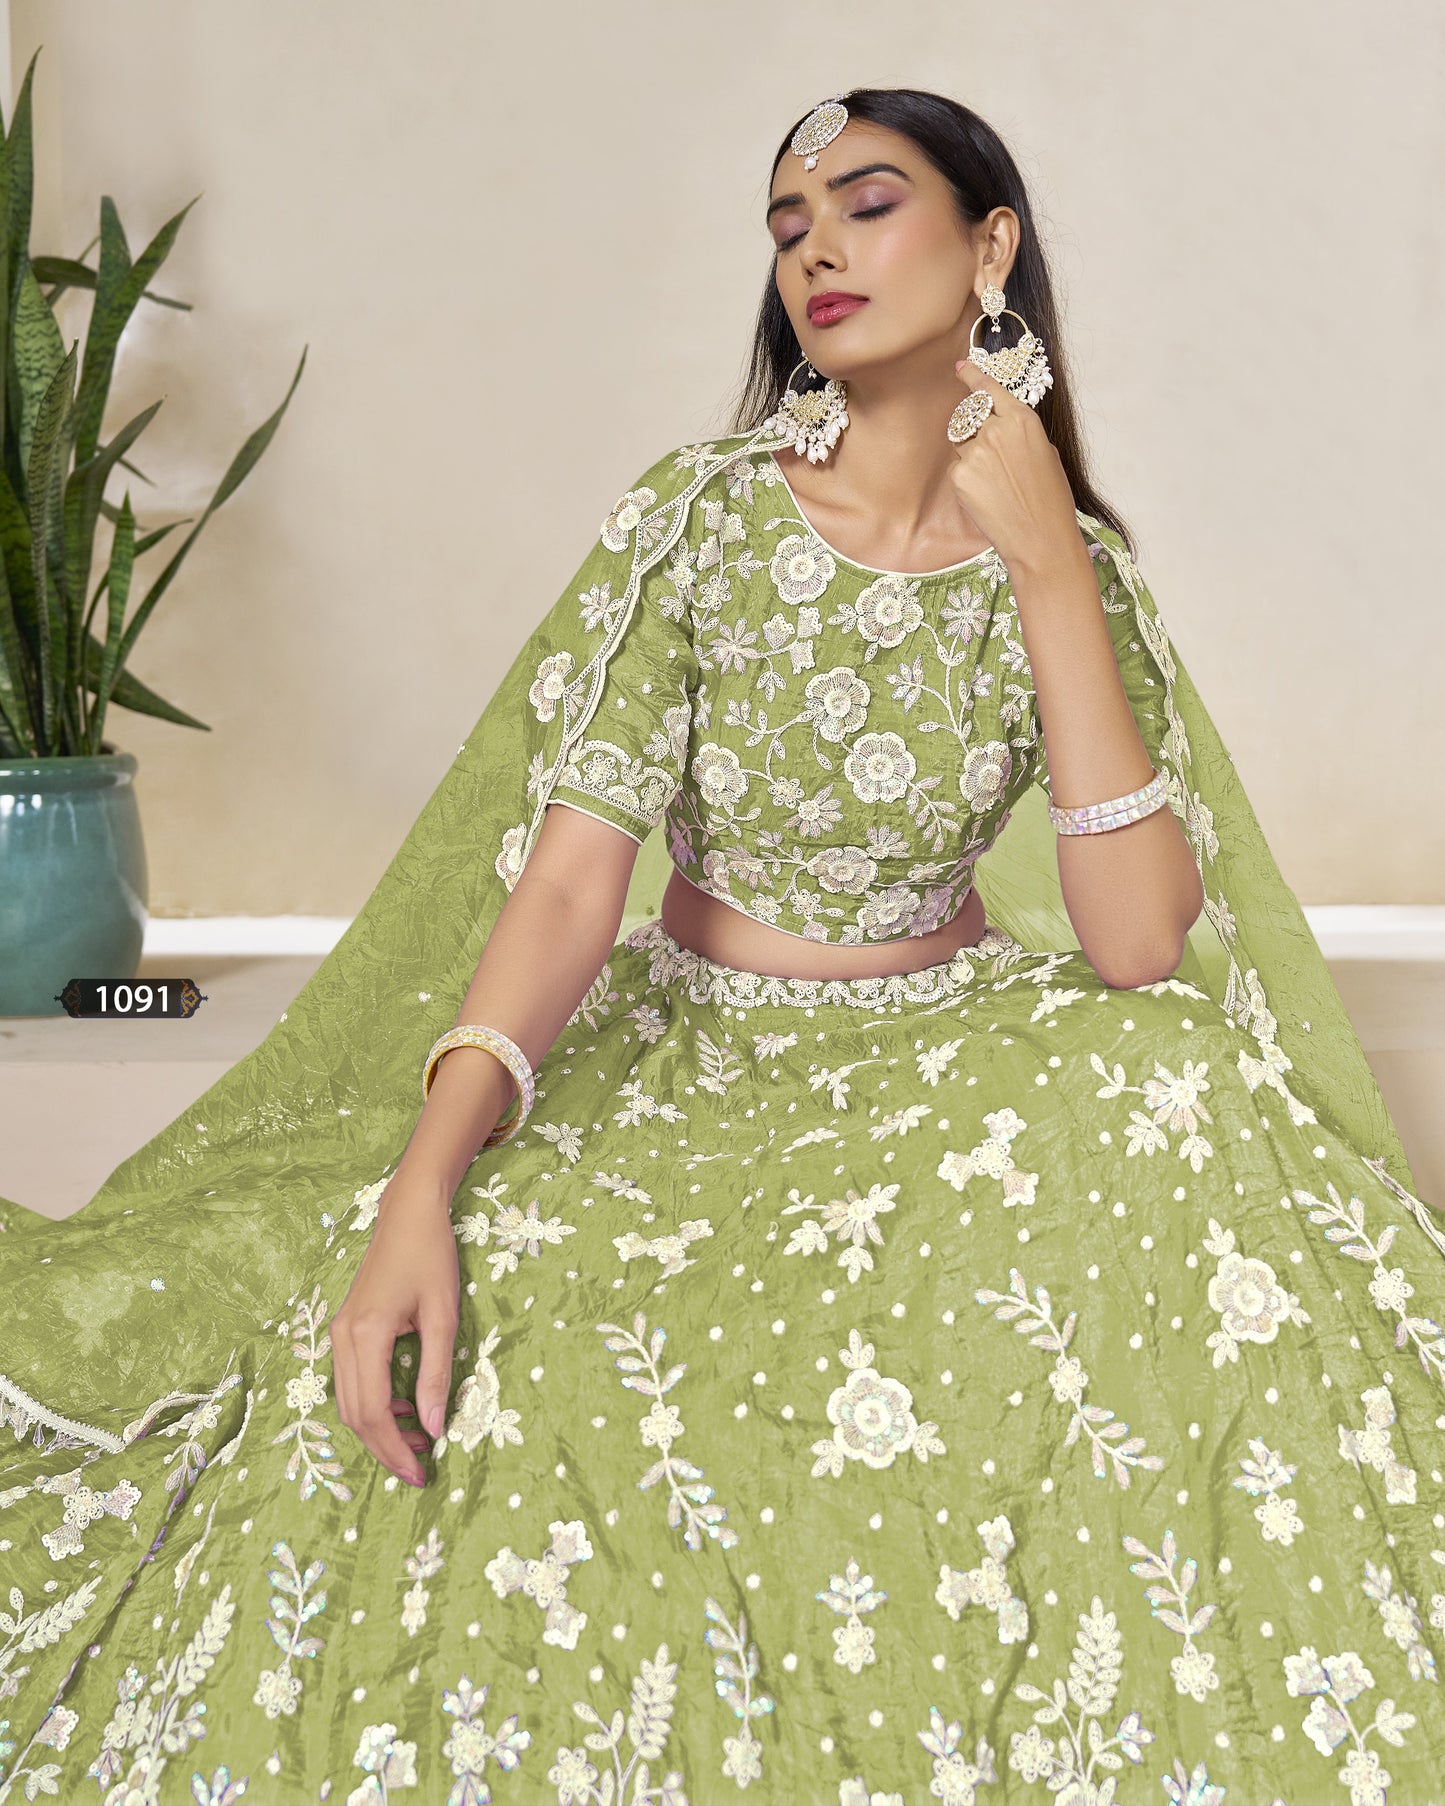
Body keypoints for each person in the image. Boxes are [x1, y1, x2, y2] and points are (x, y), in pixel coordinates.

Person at [1, 85, 1441, 1806]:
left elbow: (1135, 943)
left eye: (867, 203)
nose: (815, 247)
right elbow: (565, 889)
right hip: (695, 1051)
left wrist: (1049, 563)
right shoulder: (701, 520)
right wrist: (420, 1186)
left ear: (989, 244)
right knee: (524, 1318)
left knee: (1172, 1084)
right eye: (786, 224)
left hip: (946, 1061)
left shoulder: (1065, 565)